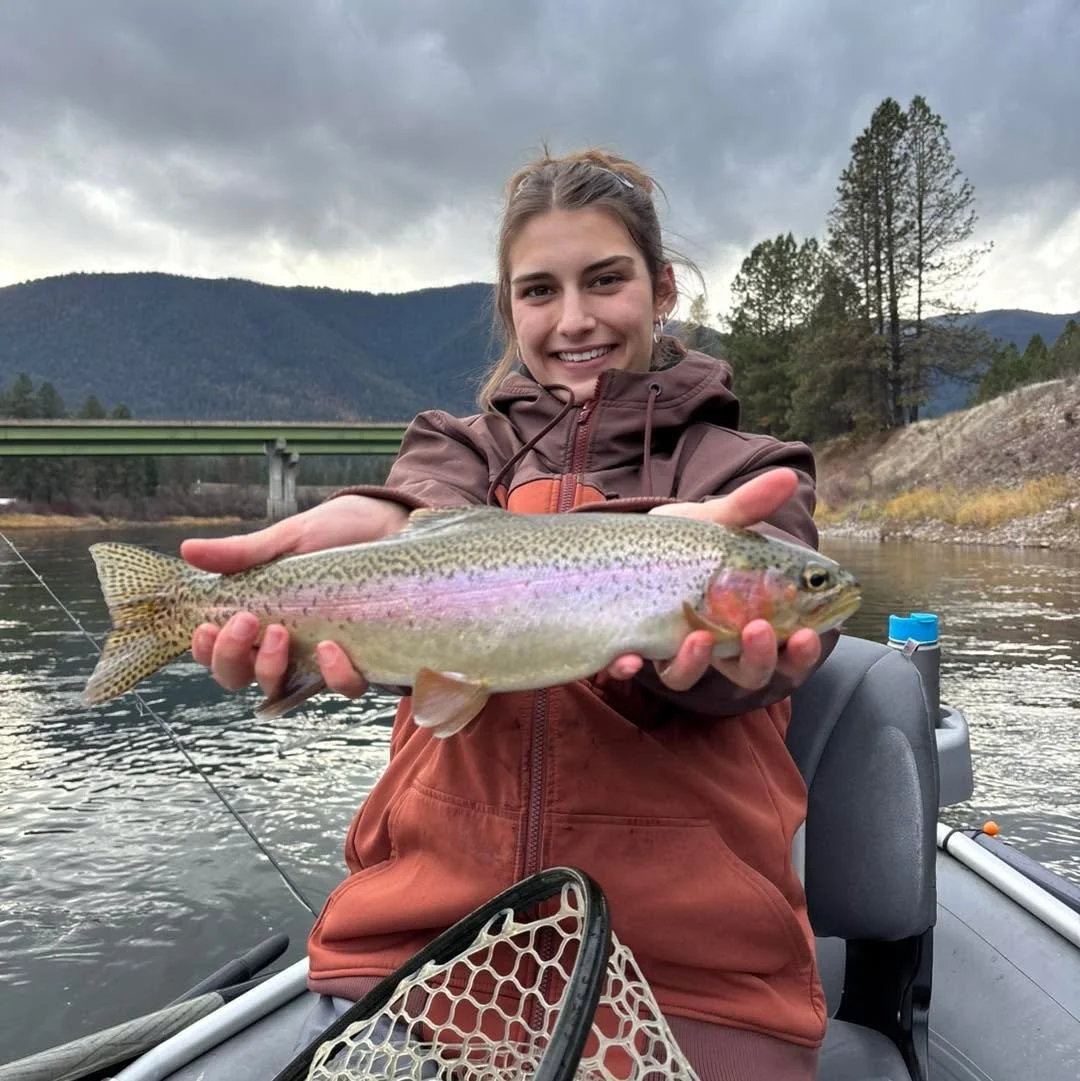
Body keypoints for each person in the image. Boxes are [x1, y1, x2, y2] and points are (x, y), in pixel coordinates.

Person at [181, 149, 836, 1080]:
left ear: (662, 287)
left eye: (605, 280)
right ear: (510, 306)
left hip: (693, 968)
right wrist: (384, 537)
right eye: (539, 290)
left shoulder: (742, 471)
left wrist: (703, 621)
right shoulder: (454, 453)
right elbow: (423, 509)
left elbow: (785, 625)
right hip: (420, 946)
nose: (574, 319)